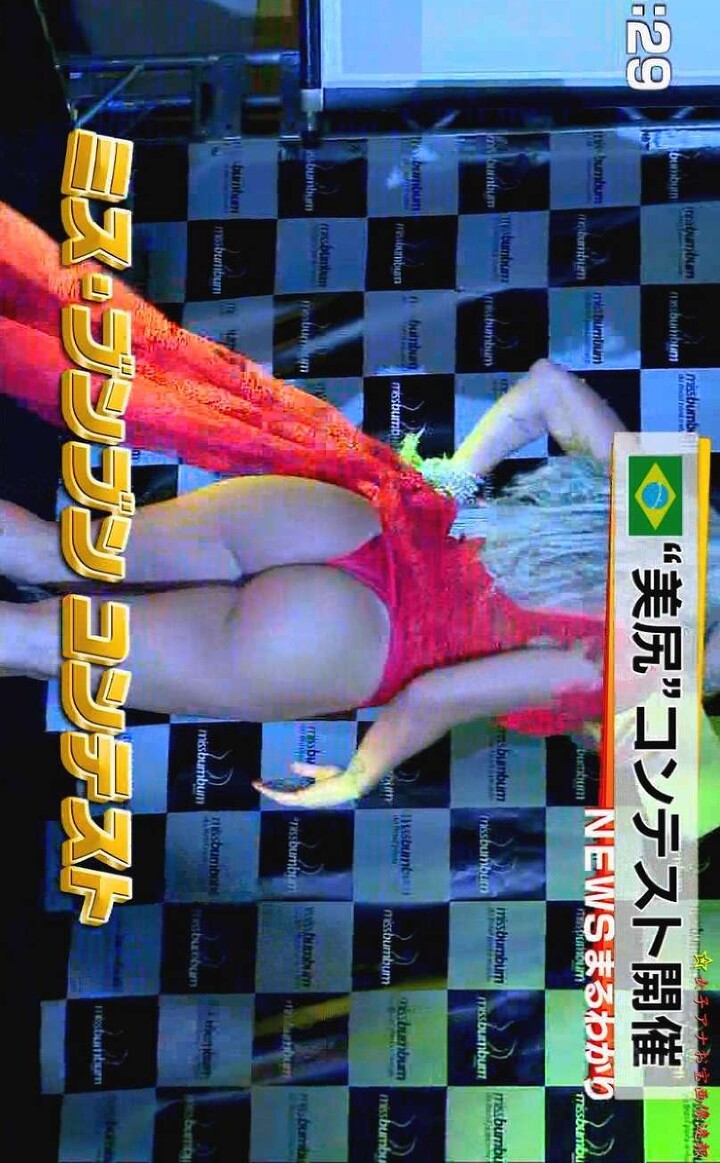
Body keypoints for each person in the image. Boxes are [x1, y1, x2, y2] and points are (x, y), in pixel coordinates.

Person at [1, 201, 717, 808]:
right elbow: (435, 697)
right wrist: (357, 777)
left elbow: (547, 387)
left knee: (51, 552)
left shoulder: (669, 515)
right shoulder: (638, 665)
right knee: (42, 643)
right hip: (345, 640)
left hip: (356, 520)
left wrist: (455, 480)